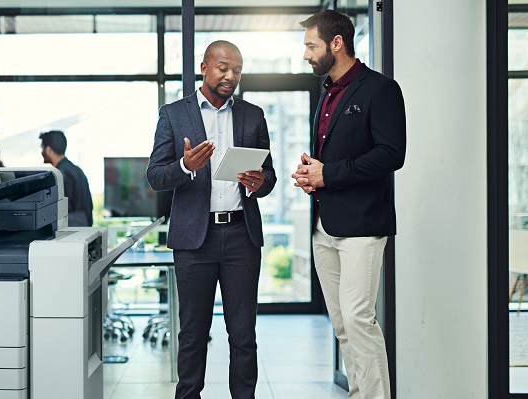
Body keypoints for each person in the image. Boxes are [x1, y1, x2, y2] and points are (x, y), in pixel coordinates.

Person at [146, 40, 276, 399]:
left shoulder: (253, 115)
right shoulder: (173, 114)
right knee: (192, 333)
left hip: (241, 236)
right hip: (194, 240)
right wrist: (185, 165)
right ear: (204, 68)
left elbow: (269, 176)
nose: (230, 76)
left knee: (243, 334)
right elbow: (155, 176)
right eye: (223, 68)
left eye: (237, 70)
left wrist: (259, 182)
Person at [291, 10, 406, 399]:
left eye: (311, 46)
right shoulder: (326, 92)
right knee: (342, 324)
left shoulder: (381, 89)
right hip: (324, 225)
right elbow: (333, 158)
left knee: (359, 320)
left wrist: (328, 174)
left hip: (362, 225)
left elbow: (391, 154)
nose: (306, 54)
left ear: (336, 43)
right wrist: (312, 174)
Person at [39, 130, 93, 227]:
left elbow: (63, 210)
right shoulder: (77, 170)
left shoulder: (60, 174)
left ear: (48, 150)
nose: (41, 152)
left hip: (72, 230)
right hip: (84, 228)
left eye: (42, 148)